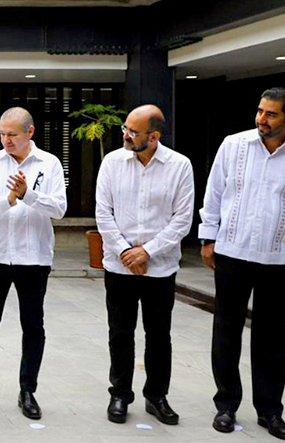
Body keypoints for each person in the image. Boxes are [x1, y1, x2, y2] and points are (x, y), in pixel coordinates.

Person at [200, 88, 285, 440]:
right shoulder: (234, 145)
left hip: (278, 258)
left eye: (271, 114)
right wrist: (209, 239)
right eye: (259, 111)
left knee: (271, 339)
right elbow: (215, 193)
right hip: (232, 253)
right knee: (226, 330)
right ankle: (226, 405)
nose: (261, 120)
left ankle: (270, 411)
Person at [95, 104, 193, 426]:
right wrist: (126, 252)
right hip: (119, 265)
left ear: (154, 136)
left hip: (160, 267)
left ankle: (156, 396)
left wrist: (147, 252)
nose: (125, 135)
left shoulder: (180, 166)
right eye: (125, 128)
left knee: (158, 334)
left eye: (133, 132)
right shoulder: (111, 162)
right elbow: (103, 214)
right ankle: (120, 394)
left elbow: (182, 220)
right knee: (120, 333)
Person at [0, 107, 66, 420]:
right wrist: (7, 200)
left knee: (33, 325)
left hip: (33, 258)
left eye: (12, 135)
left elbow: (60, 209)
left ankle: (27, 390)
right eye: (3, 134)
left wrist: (28, 196)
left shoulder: (49, 164)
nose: (6, 140)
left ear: (30, 132)